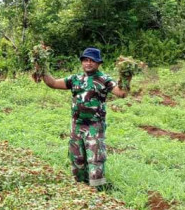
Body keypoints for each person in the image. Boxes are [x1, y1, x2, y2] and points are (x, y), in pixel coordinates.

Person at [41, 47, 127, 190]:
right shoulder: (75, 79)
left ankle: (98, 193)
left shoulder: (104, 80)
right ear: (82, 62)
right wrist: (41, 67)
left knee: (95, 159)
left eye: (92, 61)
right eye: (85, 60)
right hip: (77, 125)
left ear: (98, 63)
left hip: (94, 126)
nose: (88, 63)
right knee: (77, 158)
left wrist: (126, 76)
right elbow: (53, 83)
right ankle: (80, 190)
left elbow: (122, 93)